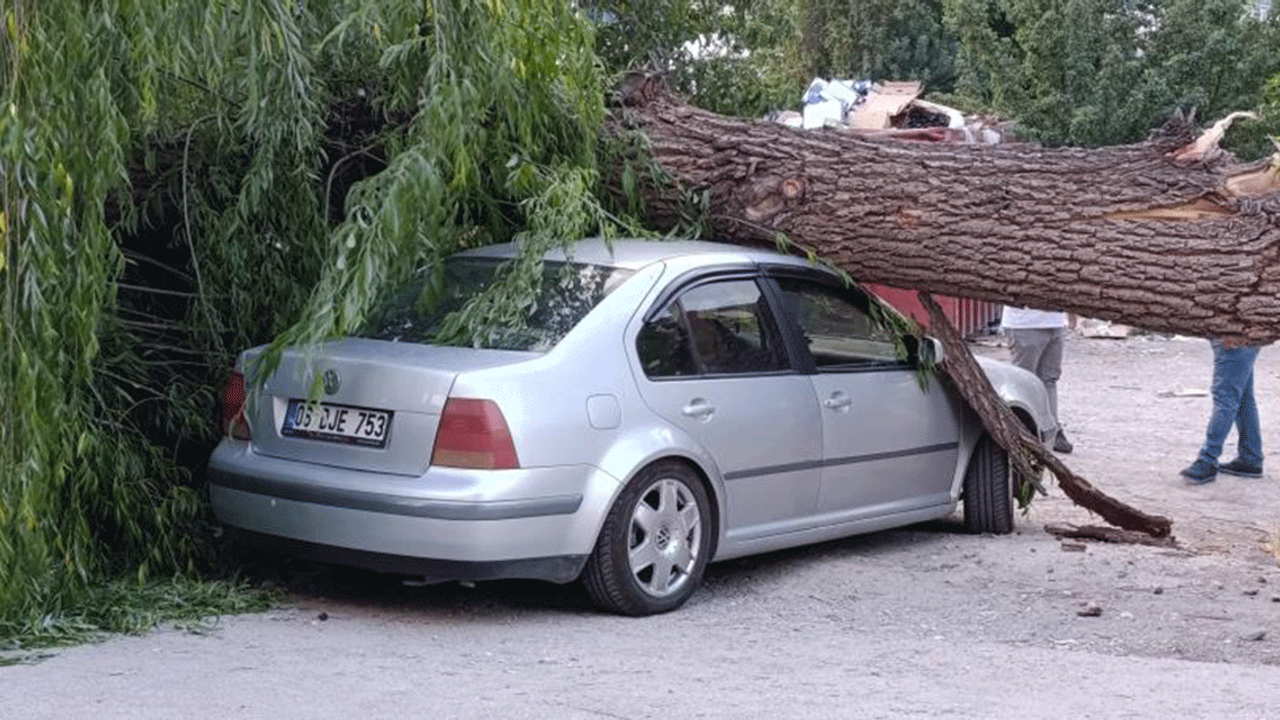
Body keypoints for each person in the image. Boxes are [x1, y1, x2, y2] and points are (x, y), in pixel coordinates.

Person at [1180, 339, 1264, 484]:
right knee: (1244, 398)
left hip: (1232, 336)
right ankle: (1250, 458)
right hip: (1249, 336)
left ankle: (1207, 460)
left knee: (1226, 397)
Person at [1001, 305, 1072, 453]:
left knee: (1047, 380)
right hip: (1025, 323)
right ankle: (1025, 430)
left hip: (1053, 322)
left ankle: (1051, 430)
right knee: (1024, 381)